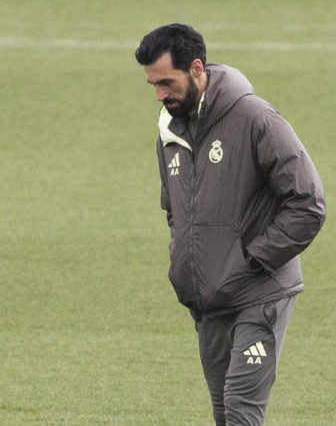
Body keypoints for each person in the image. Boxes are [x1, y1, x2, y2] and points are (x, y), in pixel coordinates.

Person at [136, 23, 325, 425]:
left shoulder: (255, 118)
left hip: (260, 292)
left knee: (241, 413)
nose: (159, 94)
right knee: (224, 414)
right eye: (152, 85)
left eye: (167, 82)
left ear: (197, 68)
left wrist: (253, 261)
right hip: (210, 298)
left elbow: (308, 203)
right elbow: (175, 211)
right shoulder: (169, 132)